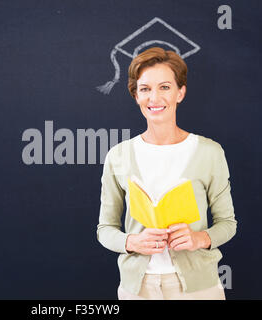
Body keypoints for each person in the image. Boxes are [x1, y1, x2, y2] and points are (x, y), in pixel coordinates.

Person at [97, 47, 237, 300]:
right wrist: (131, 243)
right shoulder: (117, 156)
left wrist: (199, 238)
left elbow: (228, 224)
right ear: (136, 96)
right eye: (145, 89)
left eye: (164, 87)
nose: (154, 98)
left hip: (199, 287)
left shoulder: (209, 152)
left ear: (180, 93)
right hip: (138, 289)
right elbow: (105, 229)